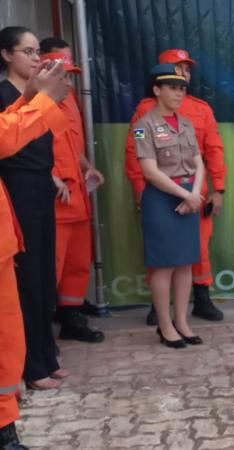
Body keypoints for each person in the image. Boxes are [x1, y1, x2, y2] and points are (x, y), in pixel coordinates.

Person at [0, 26, 68, 449]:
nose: (35, 57)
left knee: (37, 285)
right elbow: (7, 138)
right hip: (17, 197)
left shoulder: (21, 95)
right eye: (26, 51)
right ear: (6, 54)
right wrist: (40, 100)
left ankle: (41, 359)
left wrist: (35, 98)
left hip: (26, 205)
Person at [125, 49, 226, 326]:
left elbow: (212, 151)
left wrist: (217, 189)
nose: (183, 76)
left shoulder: (200, 110)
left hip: (195, 193)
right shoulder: (145, 113)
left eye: (187, 70)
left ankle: (200, 299)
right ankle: (160, 310)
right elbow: (134, 154)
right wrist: (140, 190)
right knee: (162, 254)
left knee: (197, 249)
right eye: (176, 69)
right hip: (160, 194)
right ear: (158, 84)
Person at [133, 63, 205, 348]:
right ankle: (165, 326)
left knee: (185, 263)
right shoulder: (144, 125)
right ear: (157, 90)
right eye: (173, 88)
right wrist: (185, 195)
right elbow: (150, 171)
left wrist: (194, 193)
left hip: (188, 195)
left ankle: (182, 322)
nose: (179, 93)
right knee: (164, 266)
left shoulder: (186, 123)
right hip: (162, 198)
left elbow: (199, 162)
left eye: (182, 89)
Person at [37, 46, 105, 343]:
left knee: (78, 262)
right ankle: (41, 332)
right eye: (63, 77)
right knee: (50, 267)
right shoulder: (35, 107)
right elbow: (26, 151)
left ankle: (71, 318)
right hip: (55, 201)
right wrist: (51, 177)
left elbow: (72, 148)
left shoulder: (69, 102)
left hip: (77, 196)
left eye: (69, 77)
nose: (68, 83)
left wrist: (89, 167)